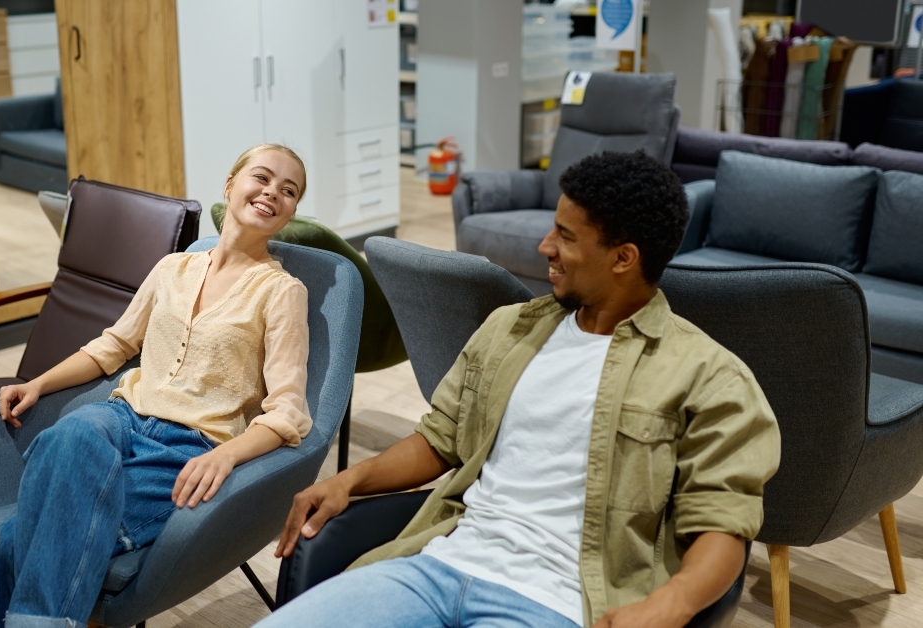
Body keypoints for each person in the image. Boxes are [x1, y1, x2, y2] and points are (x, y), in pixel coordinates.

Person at [261, 151, 781, 628]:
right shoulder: (509, 329)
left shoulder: (709, 377)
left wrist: (670, 604)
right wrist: (349, 481)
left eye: (566, 237)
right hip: (438, 562)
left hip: (555, 600)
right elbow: (441, 439)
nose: (545, 247)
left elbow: (723, 522)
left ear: (624, 258)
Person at [0, 143, 312, 628]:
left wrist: (226, 455)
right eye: (262, 178)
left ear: (290, 212)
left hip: (189, 449)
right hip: (120, 418)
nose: (272, 193)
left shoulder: (282, 292)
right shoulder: (171, 268)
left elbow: (288, 412)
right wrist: (38, 382)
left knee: (21, 534)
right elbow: (113, 346)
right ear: (230, 185)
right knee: (71, 432)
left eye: (289, 191)